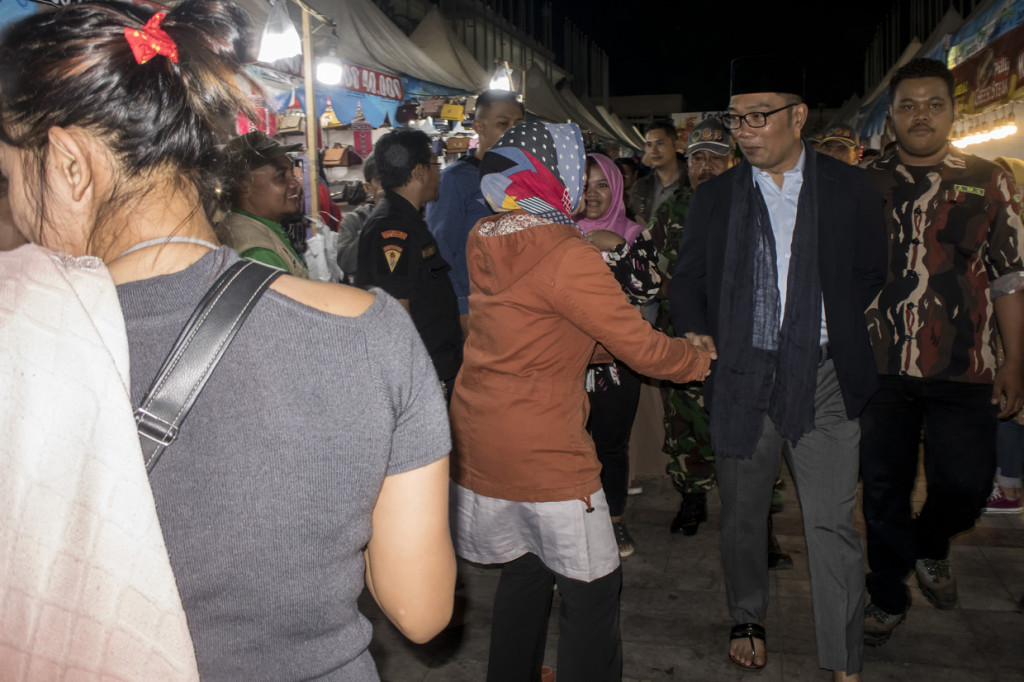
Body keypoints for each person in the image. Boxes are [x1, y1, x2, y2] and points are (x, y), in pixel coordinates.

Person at [0, 2, 456, 679]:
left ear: (69, 162)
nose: (11, 205)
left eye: (9, 178)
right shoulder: (372, 332)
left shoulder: (20, 333)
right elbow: (423, 610)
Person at [449, 121, 713, 682]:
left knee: (525, 571)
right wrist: (698, 360)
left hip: (480, 432)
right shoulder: (567, 252)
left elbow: (531, 327)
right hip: (543, 445)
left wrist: (594, 350)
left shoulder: (486, 233)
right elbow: (640, 347)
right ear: (553, 174)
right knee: (593, 586)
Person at [671, 56, 886, 680]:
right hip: (741, 373)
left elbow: (872, 270)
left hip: (822, 374)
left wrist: (826, 322)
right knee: (742, 510)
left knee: (831, 519)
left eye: (759, 116)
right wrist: (697, 328)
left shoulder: (848, 188)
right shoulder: (715, 198)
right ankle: (747, 616)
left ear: (798, 117)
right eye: (738, 118)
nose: (745, 129)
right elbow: (687, 282)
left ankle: (843, 654)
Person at [860, 58, 1024, 644]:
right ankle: (886, 591)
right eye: (908, 105)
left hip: (965, 368)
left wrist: (1013, 361)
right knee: (881, 488)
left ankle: (930, 544)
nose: (920, 115)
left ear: (954, 111)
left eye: (933, 104)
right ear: (892, 115)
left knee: (967, 485)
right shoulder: (864, 181)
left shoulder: (990, 178)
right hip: (879, 366)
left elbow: (1008, 277)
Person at [578, 152, 662, 557]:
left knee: (611, 446)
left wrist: (615, 250)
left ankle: (613, 521)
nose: (592, 194)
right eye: (584, 185)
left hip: (615, 362)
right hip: (565, 360)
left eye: (601, 185)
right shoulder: (557, 231)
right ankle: (574, 524)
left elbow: (647, 289)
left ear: (617, 189)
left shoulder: (631, 233)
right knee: (571, 444)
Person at [356, 129, 462, 394]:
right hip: (423, 378)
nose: (439, 174)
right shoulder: (393, 230)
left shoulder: (408, 221)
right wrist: (420, 379)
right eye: (436, 165)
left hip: (434, 369)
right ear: (419, 172)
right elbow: (396, 312)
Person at [426, 89, 525, 333]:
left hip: (520, 306)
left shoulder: (526, 178)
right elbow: (441, 252)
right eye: (503, 123)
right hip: (476, 311)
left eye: (519, 124)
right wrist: (462, 310)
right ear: (478, 127)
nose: (513, 131)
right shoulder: (454, 180)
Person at [217, 130, 309, 277]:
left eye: (292, 173)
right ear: (243, 188)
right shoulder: (259, 252)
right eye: (281, 176)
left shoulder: (261, 227)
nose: (294, 183)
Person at [335, 153, 382, 283]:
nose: (386, 186)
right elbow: (346, 265)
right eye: (380, 180)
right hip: (369, 296)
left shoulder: (409, 217)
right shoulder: (354, 220)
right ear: (368, 187)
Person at [629, 120, 686, 224]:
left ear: (676, 145)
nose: (654, 150)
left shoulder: (691, 184)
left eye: (660, 143)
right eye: (649, 145)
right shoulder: (640, 186)